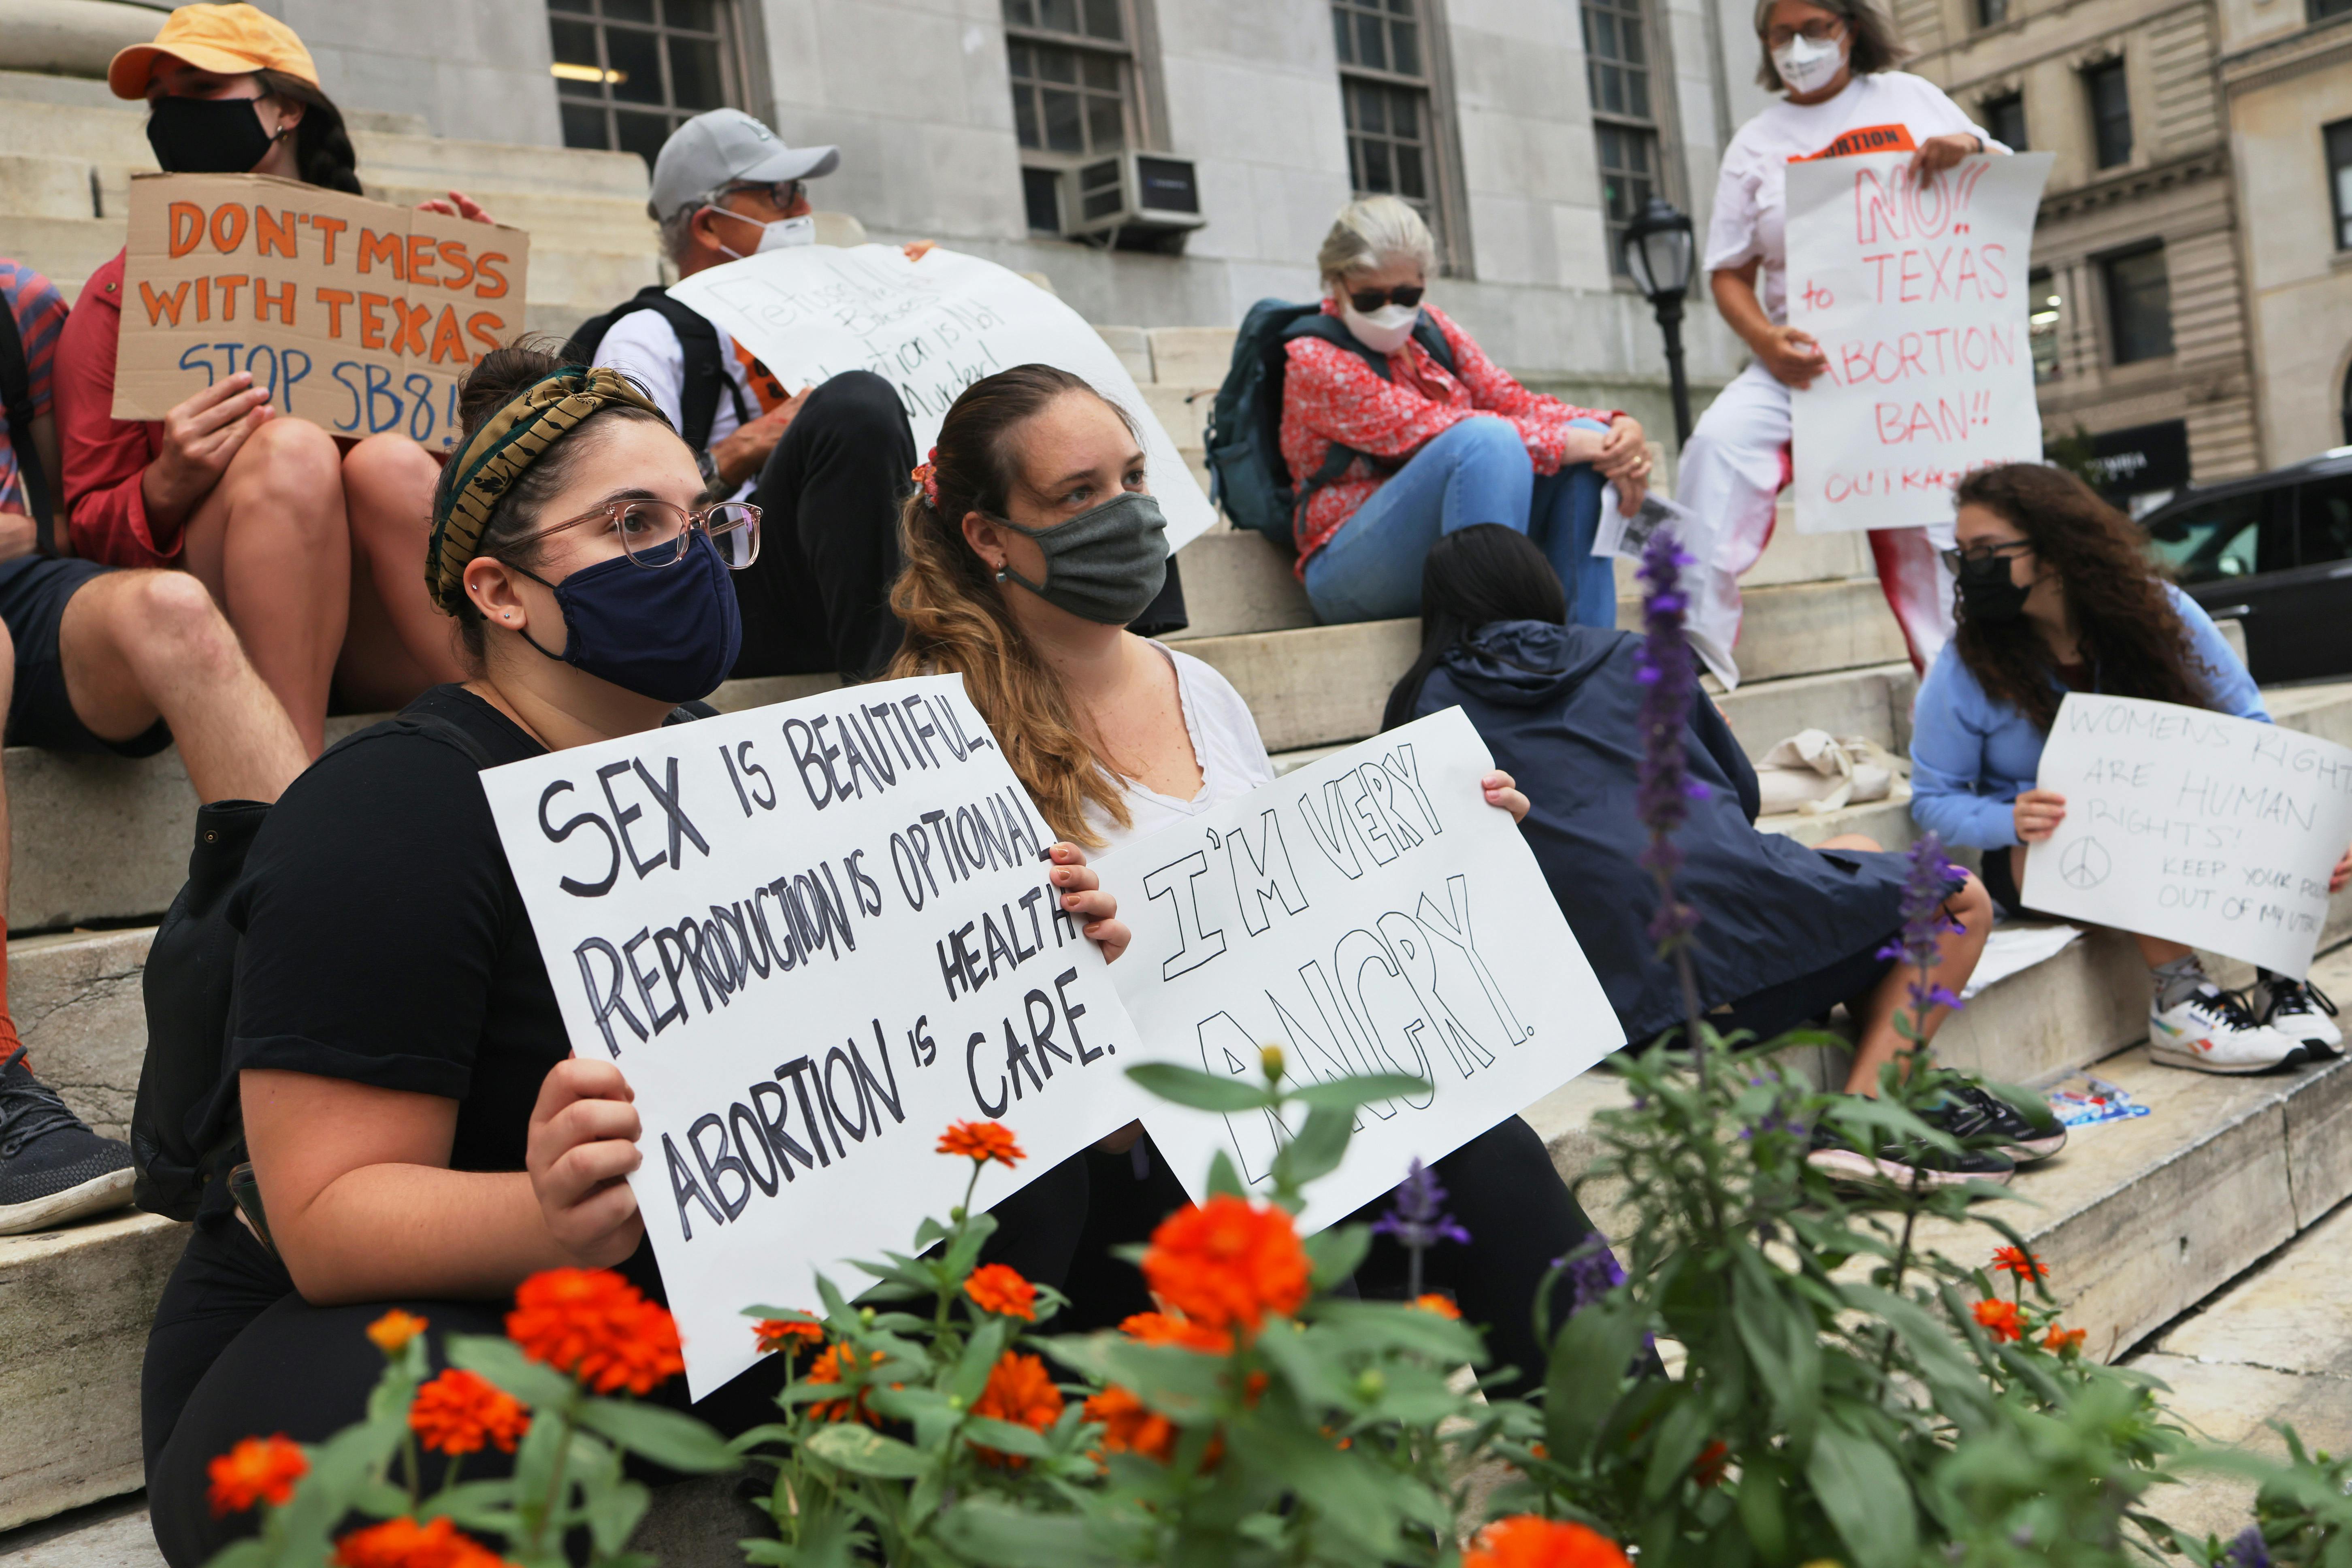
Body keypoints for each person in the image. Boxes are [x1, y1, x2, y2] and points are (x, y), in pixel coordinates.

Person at [136, 344, 1130, 1567]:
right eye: (632, 523)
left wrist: (1019, 952)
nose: (689, 554)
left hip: (675, 1301)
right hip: (383, 1316)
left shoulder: (734, 774)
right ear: (500, 594)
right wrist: (545, 1215)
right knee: (385, 1440)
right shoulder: (390, 813)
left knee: (1036, 1180)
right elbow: (331, 1221)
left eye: (706, 522)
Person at [889, 360, 1608, 1388]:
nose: (1125, 514)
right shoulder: (934, 733)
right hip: (1134, 1176)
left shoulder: (1203, 688)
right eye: (1077, 495)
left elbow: (1288, 910)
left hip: (1295, 1108)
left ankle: (1637, 1467)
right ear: (988, 536)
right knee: (1299, 1255)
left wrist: (1453, 840)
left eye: (1134, 480)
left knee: (1496, 1164)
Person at [1384, 524, 2044, 1188]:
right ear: (1540, 585)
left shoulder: (1417, 703)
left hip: (1607, 1007)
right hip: (1718, 971)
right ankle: (1863, 1120)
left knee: (1858, 849)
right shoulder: (1628, 654)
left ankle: (1899, 1086)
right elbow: (1740, 801)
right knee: (1960, 901)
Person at [54, 3, 494, 754]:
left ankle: (537, 724)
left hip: (378, 625)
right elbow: (85, 527)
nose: (171, 111)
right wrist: (169, 481)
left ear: (285, 107)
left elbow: (464, 485)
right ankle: (284, 785)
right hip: (223, 624)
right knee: (289, 447)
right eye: (160, 99)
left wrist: (457, 340)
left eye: (198, 84)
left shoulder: (394, 274)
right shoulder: (122, 294)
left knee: (390, 461)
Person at [0, 255, 309, 1236]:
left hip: (21, 589)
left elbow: (57, 517)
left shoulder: (18, 301)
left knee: (177, 611)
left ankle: (337, 1013)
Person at [1909, 463, 2351, 1074]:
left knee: (2277, 817)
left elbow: (2252, 730)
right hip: (2040, 855)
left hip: (2171, 824)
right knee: (2120, 828)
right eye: (1963, 554)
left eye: (1988, 550)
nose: (1970, 568)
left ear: (2055, 549)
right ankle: (2179, 1000)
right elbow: (1932, 799)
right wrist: (2007, 816)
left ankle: (2282, 986)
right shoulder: (1966, 663)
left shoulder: (2159, 613)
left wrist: (2311, 845)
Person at [1677, 0, 2009, 689]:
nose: (1796, 47)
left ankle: (1963, 701)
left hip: (1912, 377)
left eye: (1813, 29)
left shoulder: (1909, 98)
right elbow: (1728, 272)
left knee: (1932, 537)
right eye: (1780, 34)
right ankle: (1691, 661)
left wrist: (1969, 148)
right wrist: (1766, 342)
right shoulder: (1755, 142)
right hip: (1798, 369)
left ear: (1849, 30)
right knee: (1715, 449)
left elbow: (2001, 191)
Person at [584, 108, 923, 681]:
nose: (805, 211)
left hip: (858, 573)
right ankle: (890, 695)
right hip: (730, 595)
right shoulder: (649, 339)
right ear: (709, 226)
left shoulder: (834, 316)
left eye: (801, 193)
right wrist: (744, 448)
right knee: (855, 410)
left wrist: (918, 303)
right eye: (780, 194)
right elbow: (623, 519)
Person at [1280, 196, 1651, 627]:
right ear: (1336, 284)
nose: (1390, 310)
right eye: (1369, 299)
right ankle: (1495, 656)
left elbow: (1513, 401)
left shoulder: (1431, 331)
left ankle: (1590, 656)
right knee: (1486, 441)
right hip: (1349, 569)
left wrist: (1614, 429)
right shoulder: (1313, 360)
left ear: (1424, 280)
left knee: (1584, 445)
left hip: (1452, 534)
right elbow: (1438, 427)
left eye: (1406, 294)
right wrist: (1584, 443)